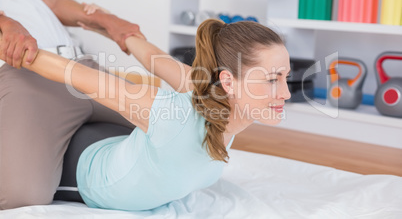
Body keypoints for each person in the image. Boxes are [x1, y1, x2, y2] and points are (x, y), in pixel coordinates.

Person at [0, 14, 292, 211]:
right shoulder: (173, 116)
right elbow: (75, 75)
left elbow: (158, 61)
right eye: (272, 79)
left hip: (103, 135)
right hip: (65, 134)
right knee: (21, 196)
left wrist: (121, 32)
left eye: (285, 77)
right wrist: (18, 51)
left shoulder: (216, 96)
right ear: (229, 81)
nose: (286, 93)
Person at [0, 0, 141, 209]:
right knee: (23, 197)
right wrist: (6, 23)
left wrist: (107, 20)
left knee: (182, 126)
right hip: (28, 77)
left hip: (83, 67)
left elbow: (54, 4)